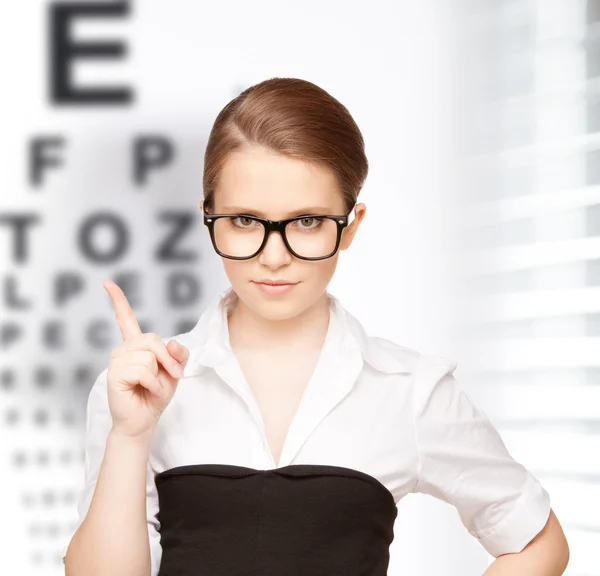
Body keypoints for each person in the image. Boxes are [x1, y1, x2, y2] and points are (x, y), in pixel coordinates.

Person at [62, 77, 569, 576]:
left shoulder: (411, 390)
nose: (274, 257)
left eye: (306, 221)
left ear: (350, 225)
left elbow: (536, 543)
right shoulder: (140, 387)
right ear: (208, 216)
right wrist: (130, 434)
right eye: (243, 221)